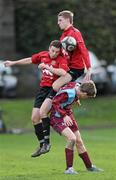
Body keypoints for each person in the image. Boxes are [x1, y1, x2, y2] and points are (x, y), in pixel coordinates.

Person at [3, 40, 69, 157]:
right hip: (43, 90)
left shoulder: (61, 59)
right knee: (34, 118)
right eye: (52, 51)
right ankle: (42, 145)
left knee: (43, 112)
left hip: (53, 90)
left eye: (57, 52)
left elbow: (63, 72)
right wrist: (13, 63)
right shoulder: (43, 55)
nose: (54, 54)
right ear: (49, 48)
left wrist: (48, 67)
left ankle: (47, 143)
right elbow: (29, 60)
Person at [39, 10, 91, 136]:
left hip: (76, 68)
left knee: (56, 86)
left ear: (68, 20)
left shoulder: (75, 33)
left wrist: (89, 68)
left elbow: (83, 49)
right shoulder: (63, 37)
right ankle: (68, 100)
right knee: (56, 83)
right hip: (69, 69)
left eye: (60, 20)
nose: (58, 23)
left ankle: (57, 107)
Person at [50, 80, 103, 174]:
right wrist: (64, 115)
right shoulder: (68, 93)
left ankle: (89, 166)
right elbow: (54, 102)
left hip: (68, 114)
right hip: (57, 117)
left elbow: (73, 83)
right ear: (83, 92)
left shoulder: (78, 86)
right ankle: (69, 169)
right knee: (72, 139)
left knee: (79, 141)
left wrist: (76, 99)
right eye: (87, 96)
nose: (86, 98)